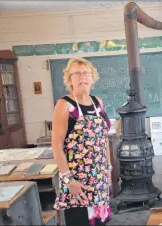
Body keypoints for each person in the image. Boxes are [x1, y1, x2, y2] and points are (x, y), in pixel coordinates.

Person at [52, 57, 112, 226]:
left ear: (92, 78)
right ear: (69, 79)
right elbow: (56, 147)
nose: (82, 77)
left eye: (86, 73)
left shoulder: (97, 102)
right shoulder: (64, 105)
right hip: (78, 183)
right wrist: (69, 181)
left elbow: (103, 139)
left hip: (99, 180)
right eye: (76, 73)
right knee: (81, 222)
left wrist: (108, 168)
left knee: (99, 222)